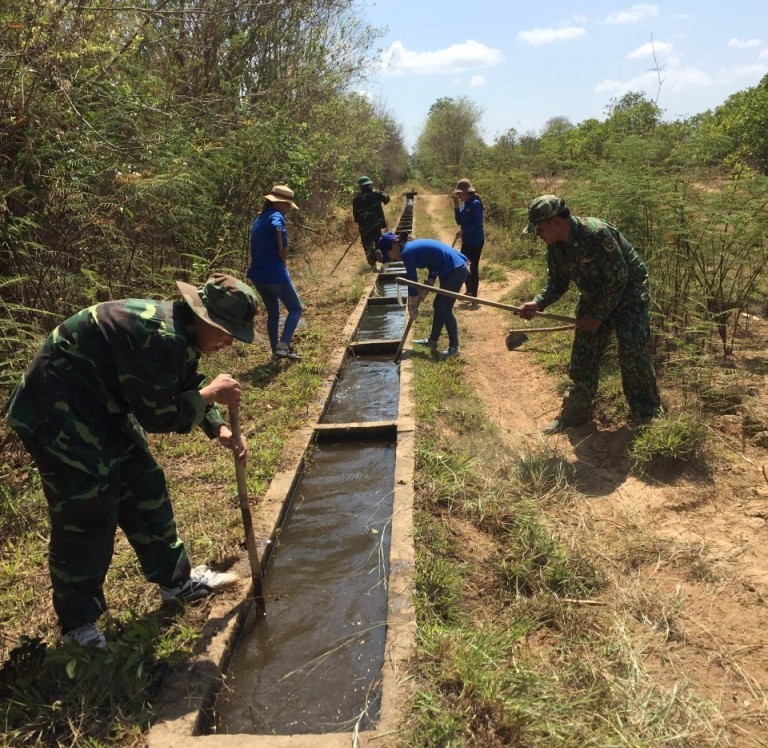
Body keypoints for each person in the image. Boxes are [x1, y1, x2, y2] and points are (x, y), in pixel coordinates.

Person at [4, 273, 259, 648]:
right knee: (87, 511)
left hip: (100, 407)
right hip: (56, 411)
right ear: (203, 316)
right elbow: (159, 416)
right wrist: (208, 396)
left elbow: (181, 384)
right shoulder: (162, 337)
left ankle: (176, 582)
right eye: (225, 330)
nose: (229, 341)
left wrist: (217, 427)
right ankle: (78, 625)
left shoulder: (182, 336)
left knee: (143, 484)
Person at [518, 195, 662, 434]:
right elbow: (558, 281)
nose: (538, 234)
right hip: (595, 295)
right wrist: (538, 302)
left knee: (633, 352)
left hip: (630, 293)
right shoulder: (555, 247)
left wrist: (598, 317)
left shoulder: (596, 233)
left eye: (540, 228)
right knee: (583, 355)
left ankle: (647, 416)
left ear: (555, 222)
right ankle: (575, 414)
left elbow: (619, 279)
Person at [376, 232, 468, 360]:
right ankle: (432, 341)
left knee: (445, 308)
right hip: (454, 268)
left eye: (389, 256)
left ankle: (454, 347)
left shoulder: (407, 253)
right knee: (438, 305)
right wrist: (430, 280)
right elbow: (434, 262)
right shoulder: (410, 248)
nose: (393, 259)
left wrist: (412, 306)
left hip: (455, 269)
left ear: (394, 246)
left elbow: (412, 282)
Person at [247, 184, 303, 361]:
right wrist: (283, 245)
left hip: (258, 276)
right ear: (279, 203)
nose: (288, 209)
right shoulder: (276, 216)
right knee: (296, 308)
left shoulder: (259, 218)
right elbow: (278, 225)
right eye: (287, 205)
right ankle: (284, 344)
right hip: (275, 275)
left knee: (273, 313)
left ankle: (275, 352)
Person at [452, 178, 485, 302]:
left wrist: (464, 231)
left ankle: (474, 294)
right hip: (467, 241)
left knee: (473, 267)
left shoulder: (475, 204)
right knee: (462, 264)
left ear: (466, 192)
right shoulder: (464, 204)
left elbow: (478, 223)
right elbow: (459, 221)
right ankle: (470, 290)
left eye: (460, 193)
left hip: (476, 240)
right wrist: (456, 206)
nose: (458, 196)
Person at [352, 176, 390, 269]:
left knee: (367, 245)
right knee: (378, 241)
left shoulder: (357, 197)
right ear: (369, 184)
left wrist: (359, 222)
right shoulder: (376, 193)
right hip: (376, 224)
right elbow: (387, 199)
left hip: (364, 226)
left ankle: (372, 264)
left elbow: (355, 214)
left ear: (360, 186)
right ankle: (379, 251)